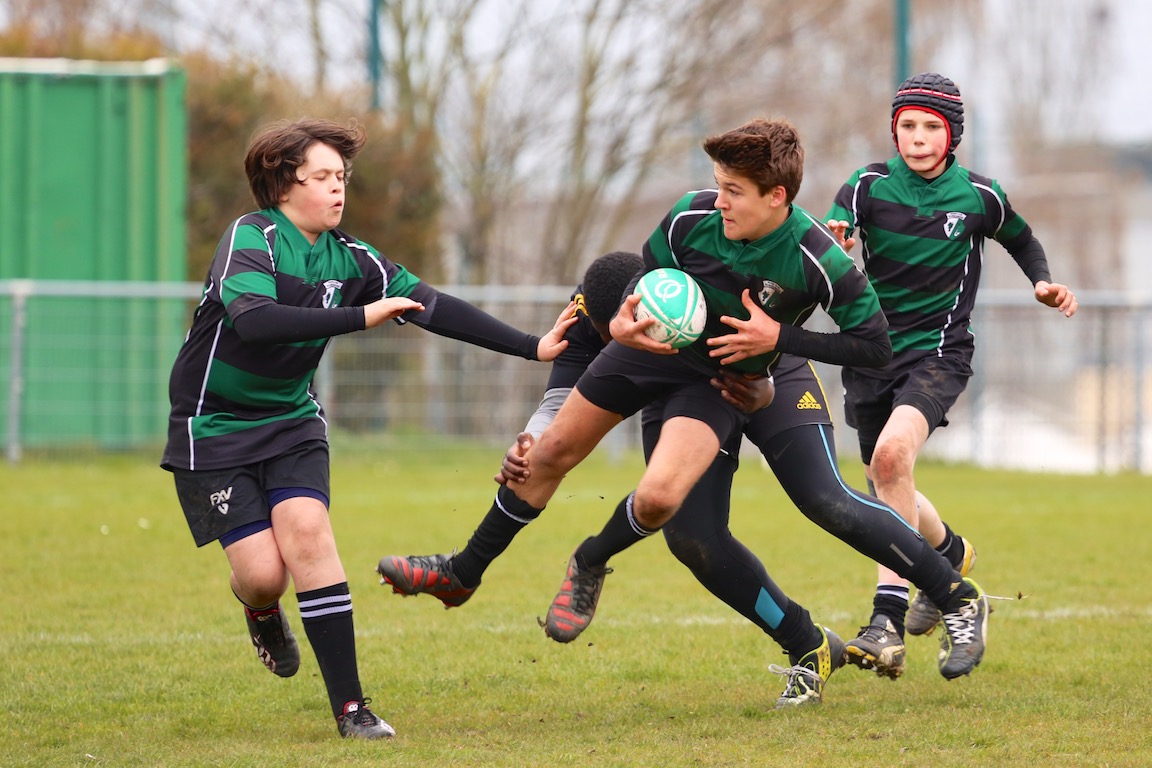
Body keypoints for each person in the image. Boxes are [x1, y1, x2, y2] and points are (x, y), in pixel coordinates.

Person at [380, 118, 991, 693]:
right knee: (555, 455)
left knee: (767, 504)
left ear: (776, 197)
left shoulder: (814, 258)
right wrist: (624, 318)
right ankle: (461, 574)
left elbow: (876, 345)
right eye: (718, 186)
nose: (718, 200)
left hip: (730, 374)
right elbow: (645, 283)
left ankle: (954, 594)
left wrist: (780, 339)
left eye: (734, 191)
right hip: (651, 352)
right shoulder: (687, 219)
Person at [160, 117, 575, 740]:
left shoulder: (352, 256)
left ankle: (352, 709)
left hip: (292, 421)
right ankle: (262, 609)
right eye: (322, 177)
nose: (337, 189)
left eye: (341, 177)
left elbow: (431, 305)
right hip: (212, 426)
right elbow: (255, 322)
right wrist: (361, 316)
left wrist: (533, 346)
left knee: (308, 532)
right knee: (262, 574)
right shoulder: (253, 237)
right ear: (282, 185)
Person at [825, 72, 1078, 678]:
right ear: (895, 129)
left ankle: (886, 615)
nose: (917, 137)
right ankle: (952, 554)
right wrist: (835, 240)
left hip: (938, 356)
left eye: (931, 127)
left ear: (952, 134)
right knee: (887, 480)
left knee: (890, 462)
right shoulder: (865, 186)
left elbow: (1022, 239)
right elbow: (829, 241)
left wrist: (1041, 281)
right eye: (907, 125)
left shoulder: (979, 197)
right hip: (870, 357)